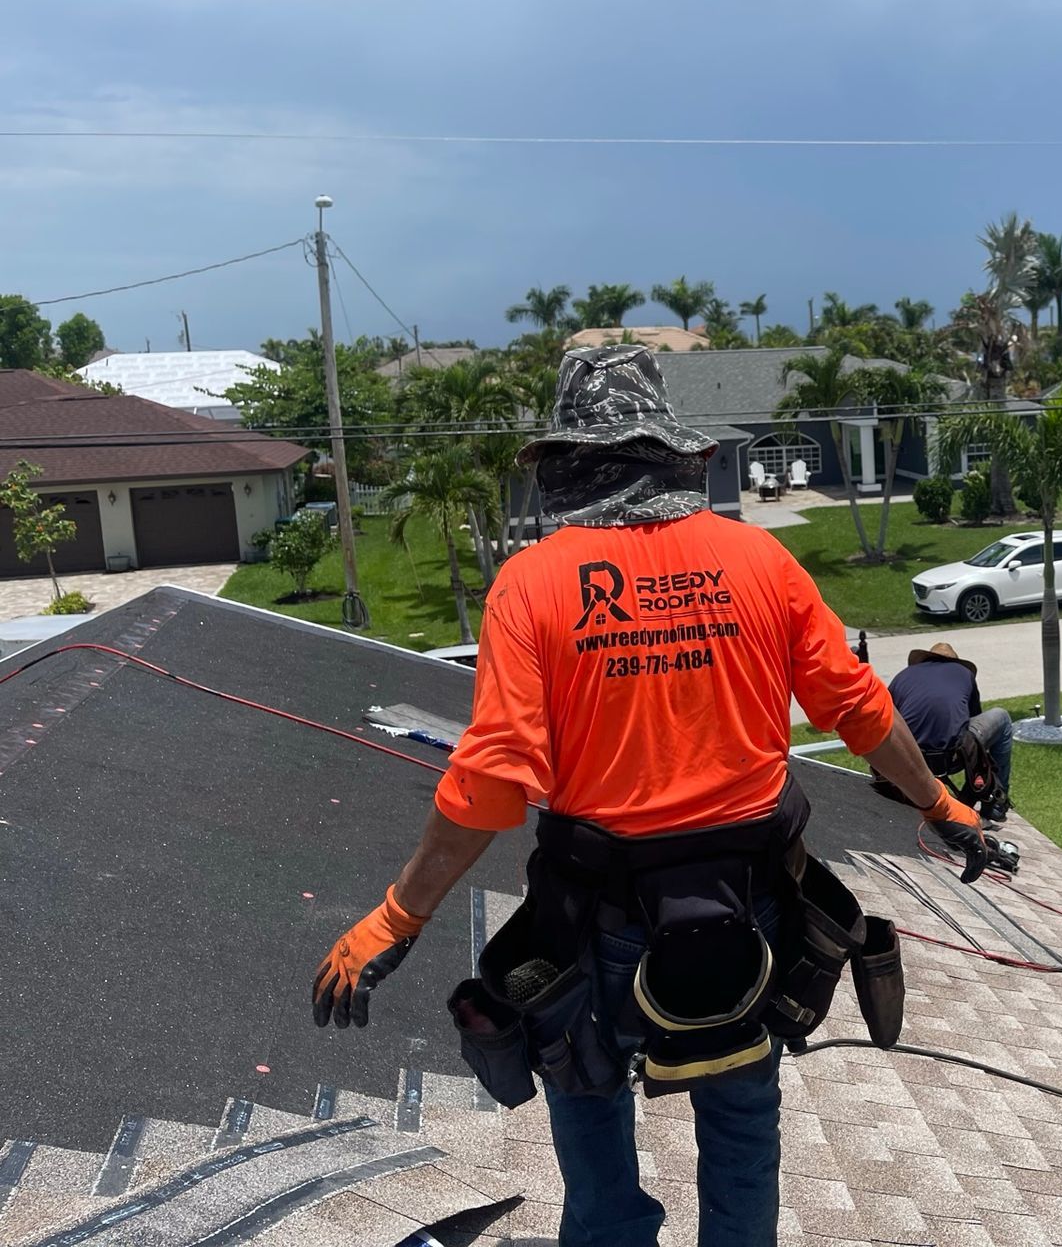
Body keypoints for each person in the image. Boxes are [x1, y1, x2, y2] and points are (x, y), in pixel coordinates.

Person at [311, 345, 979, 1247]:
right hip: (749, 915)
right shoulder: (759, 562)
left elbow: (497, 772)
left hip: (601, 917)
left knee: (589, 1104)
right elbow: (858, 708)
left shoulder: (534, 584)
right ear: (669, 452)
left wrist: (400, 916)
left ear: (571, 463)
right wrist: (942, 805)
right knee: (743, 1118)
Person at [886, 643, 1013, 822]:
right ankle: (996, 804)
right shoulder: (964, 674)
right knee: (1003, 718)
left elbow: (887, 716)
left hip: (905, 757)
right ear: (955, 662)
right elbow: (971, 719)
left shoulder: (903, 676)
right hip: (949, 757)